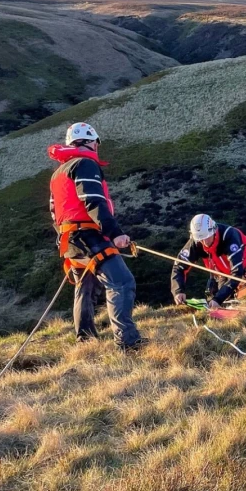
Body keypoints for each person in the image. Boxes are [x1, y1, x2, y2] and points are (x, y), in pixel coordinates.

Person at [48, 122, 142, 350]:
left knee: (85, 287)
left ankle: (85, 341)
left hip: (69, 239)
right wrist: (115, 234)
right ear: (91, 142)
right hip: (89, 235)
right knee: (121, 282)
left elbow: (54, 211)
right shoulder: (85, 164)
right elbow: (92, 201)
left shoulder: (58, 173)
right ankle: (127, 342)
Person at [171, 214, 246, 309]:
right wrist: (178, 291)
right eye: (201, 239)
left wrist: (218, 299)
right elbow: (179, 267)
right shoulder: (196, 241)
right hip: (222, 272)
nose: (205, 242)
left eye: (207, 237)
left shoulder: (229, 236)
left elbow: (236, 273)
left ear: (213, 230)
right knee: (217, 300)